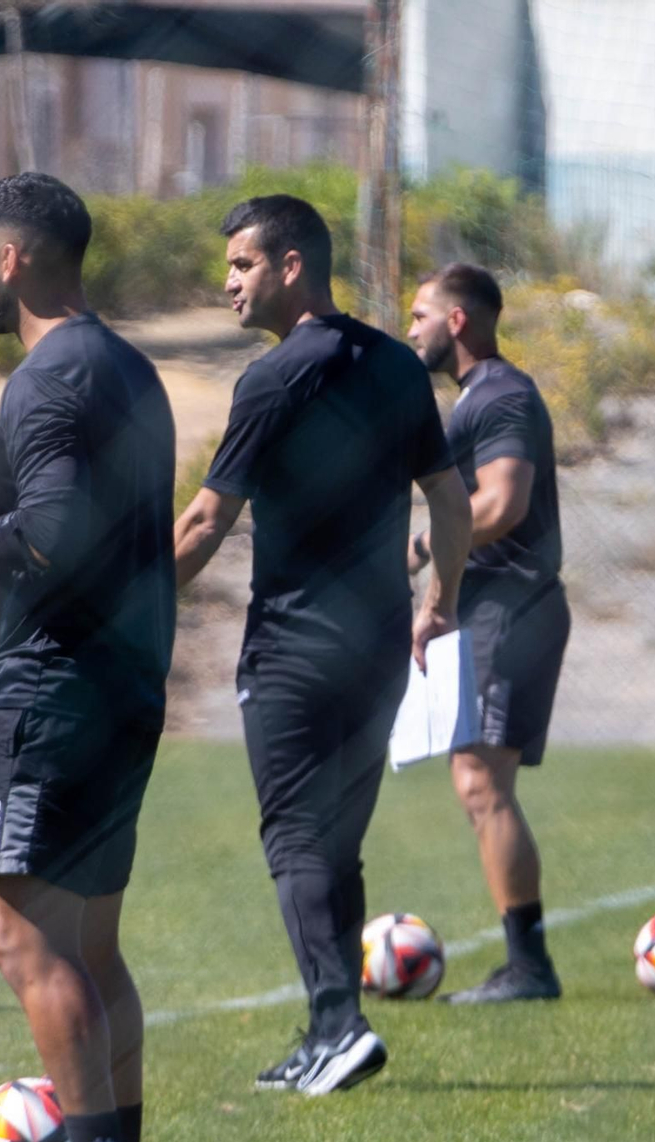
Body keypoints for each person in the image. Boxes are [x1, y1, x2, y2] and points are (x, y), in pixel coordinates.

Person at [170, 196, 472, 1093]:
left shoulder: (271, 380)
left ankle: (340, 1023)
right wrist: (440, 603)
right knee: (335, 844)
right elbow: (450, 502)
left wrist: (122, 605)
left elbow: (204, 520)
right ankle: (323, 1032)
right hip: (380, 642)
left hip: (295, 648)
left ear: (292, 264)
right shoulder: (394, 364)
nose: (227, 282)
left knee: (296, 838)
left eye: (242, 265)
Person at [0, 172, 173, 1142]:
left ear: (12, 257)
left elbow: (53, 534)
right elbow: (114, 548)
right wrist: (7, 617)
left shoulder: (45, 379)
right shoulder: (125, 367)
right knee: (92, 945)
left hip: (56, 700)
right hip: (116, 682)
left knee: (25, 944)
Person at [407, 263, 570, 1004]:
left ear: (459, 320)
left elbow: (500, 504)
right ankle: (524, 961)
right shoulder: (476, 398)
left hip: (512, 608)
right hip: (487, 609)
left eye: (419, 316)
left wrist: (426, 552)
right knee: (472, 780)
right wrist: (430, 575)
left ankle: (529, 967)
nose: (411, 330)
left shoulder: (502, 395)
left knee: (480, 780)